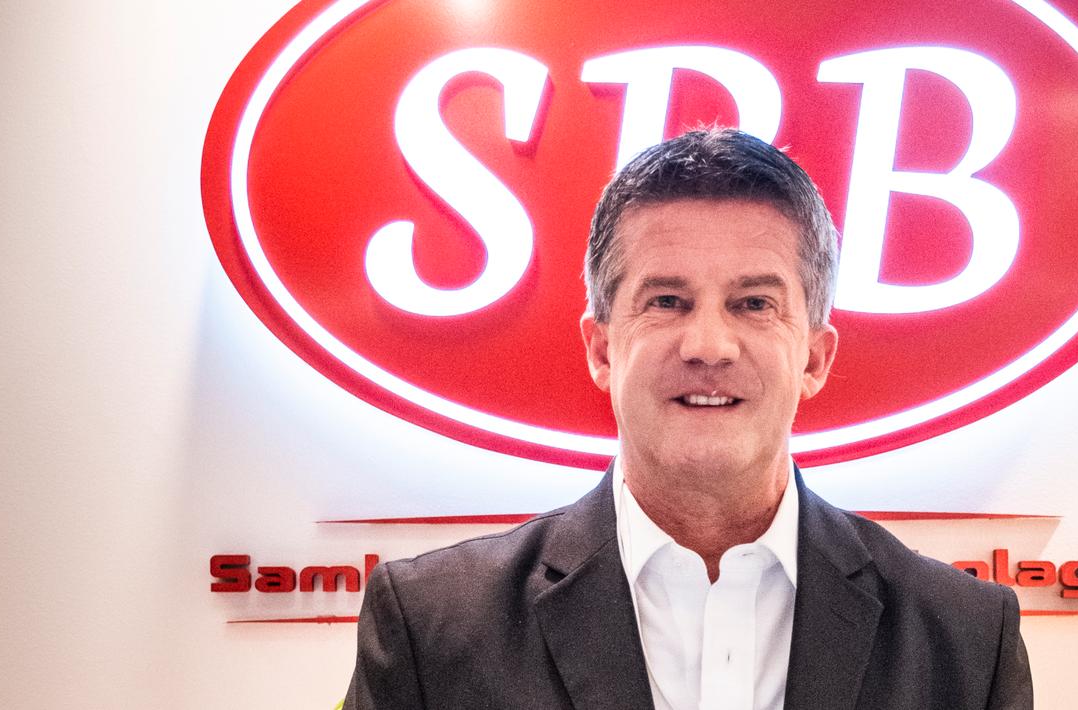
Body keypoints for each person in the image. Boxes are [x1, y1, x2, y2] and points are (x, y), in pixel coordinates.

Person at [344, 128, 1032, 709]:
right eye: (667, 301)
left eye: (754, 304)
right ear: (602, 350)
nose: (708, 345)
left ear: (815, 359)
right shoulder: (432, 626)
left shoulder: (966, 640)